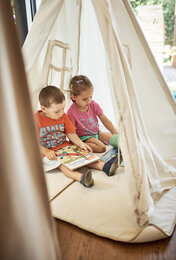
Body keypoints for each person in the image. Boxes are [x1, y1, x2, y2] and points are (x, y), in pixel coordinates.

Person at [35, 86, 120, 188]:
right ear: (43, 108)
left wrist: (81, 143)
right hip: (49, 153)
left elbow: (71, 134)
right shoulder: (36, 119)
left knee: (83, 155)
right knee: (62, 165)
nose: (61, 113)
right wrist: (46, 152)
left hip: (65, 147)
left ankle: (105, 166)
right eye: (57, 111)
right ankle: (81, 178)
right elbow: (32, 141)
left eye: (63, 108)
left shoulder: (63, 116)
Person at [67, 75, 119, 153]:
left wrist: (115, 132)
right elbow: (71, 132)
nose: (89, 100)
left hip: (96, 132)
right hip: (83, 137)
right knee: (101, 148)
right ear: (73, 97)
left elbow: (105, 120)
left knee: (117, 140)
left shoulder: (93, 105)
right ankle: (78, 145)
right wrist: (79, 143)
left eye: (91, 97)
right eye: (85, 99)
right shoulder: (71, 112)